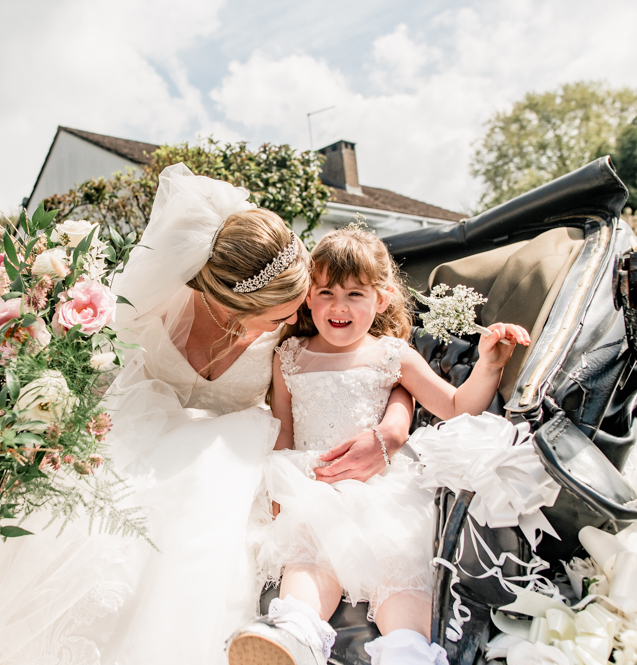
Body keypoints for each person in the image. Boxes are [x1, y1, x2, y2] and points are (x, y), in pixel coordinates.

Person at [0, 164, 417, 665]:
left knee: (204, 498)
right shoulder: (150, 306)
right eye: (283, 313)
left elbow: (378, 351)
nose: (305, 313)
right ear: (229, 305)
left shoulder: (301, 318)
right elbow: (82, 378)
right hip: (126, 441)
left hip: (222, 460)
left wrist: (393, 424)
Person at [227, 226, 530, 665]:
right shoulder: (289, 354)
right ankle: (295, 630)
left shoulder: (394, 354)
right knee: (308, 554)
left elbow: (454, 405)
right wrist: (280, 491)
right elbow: (285, 430)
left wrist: (489, 365)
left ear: (381, 299)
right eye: (326, 291)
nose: (339, 306)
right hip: (314, 481)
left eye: (355, 294)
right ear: (307, 298)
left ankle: (408, 649)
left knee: (398, 561)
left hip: (382, 485)